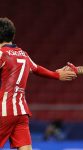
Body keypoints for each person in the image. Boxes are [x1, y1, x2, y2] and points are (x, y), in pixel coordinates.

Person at [0, 17, 76, 150]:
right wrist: (57, 75)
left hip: (5, 111)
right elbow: (37, 69)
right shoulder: (23, 54)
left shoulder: (2, 54)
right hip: (21, 112)